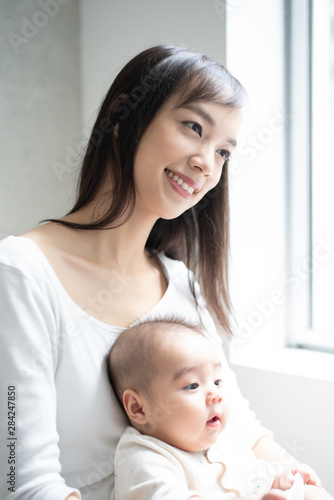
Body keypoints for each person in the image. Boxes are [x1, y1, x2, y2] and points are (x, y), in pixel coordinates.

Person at [0, 44, 321, 500]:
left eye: (224, 152)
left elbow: (242, 430)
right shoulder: (23, 272)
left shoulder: (181, 284)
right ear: (122, 117)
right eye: (194, 127)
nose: (207, 164)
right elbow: (21, 481)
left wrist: (299, 478)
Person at [107, 318, 331, 500]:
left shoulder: (221, 437)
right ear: (139, 408)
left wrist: (281, 481)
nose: (216, 394)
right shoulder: (145, 458)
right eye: (193, 385)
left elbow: (253, 479)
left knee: (311, 494)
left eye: (217, 381)